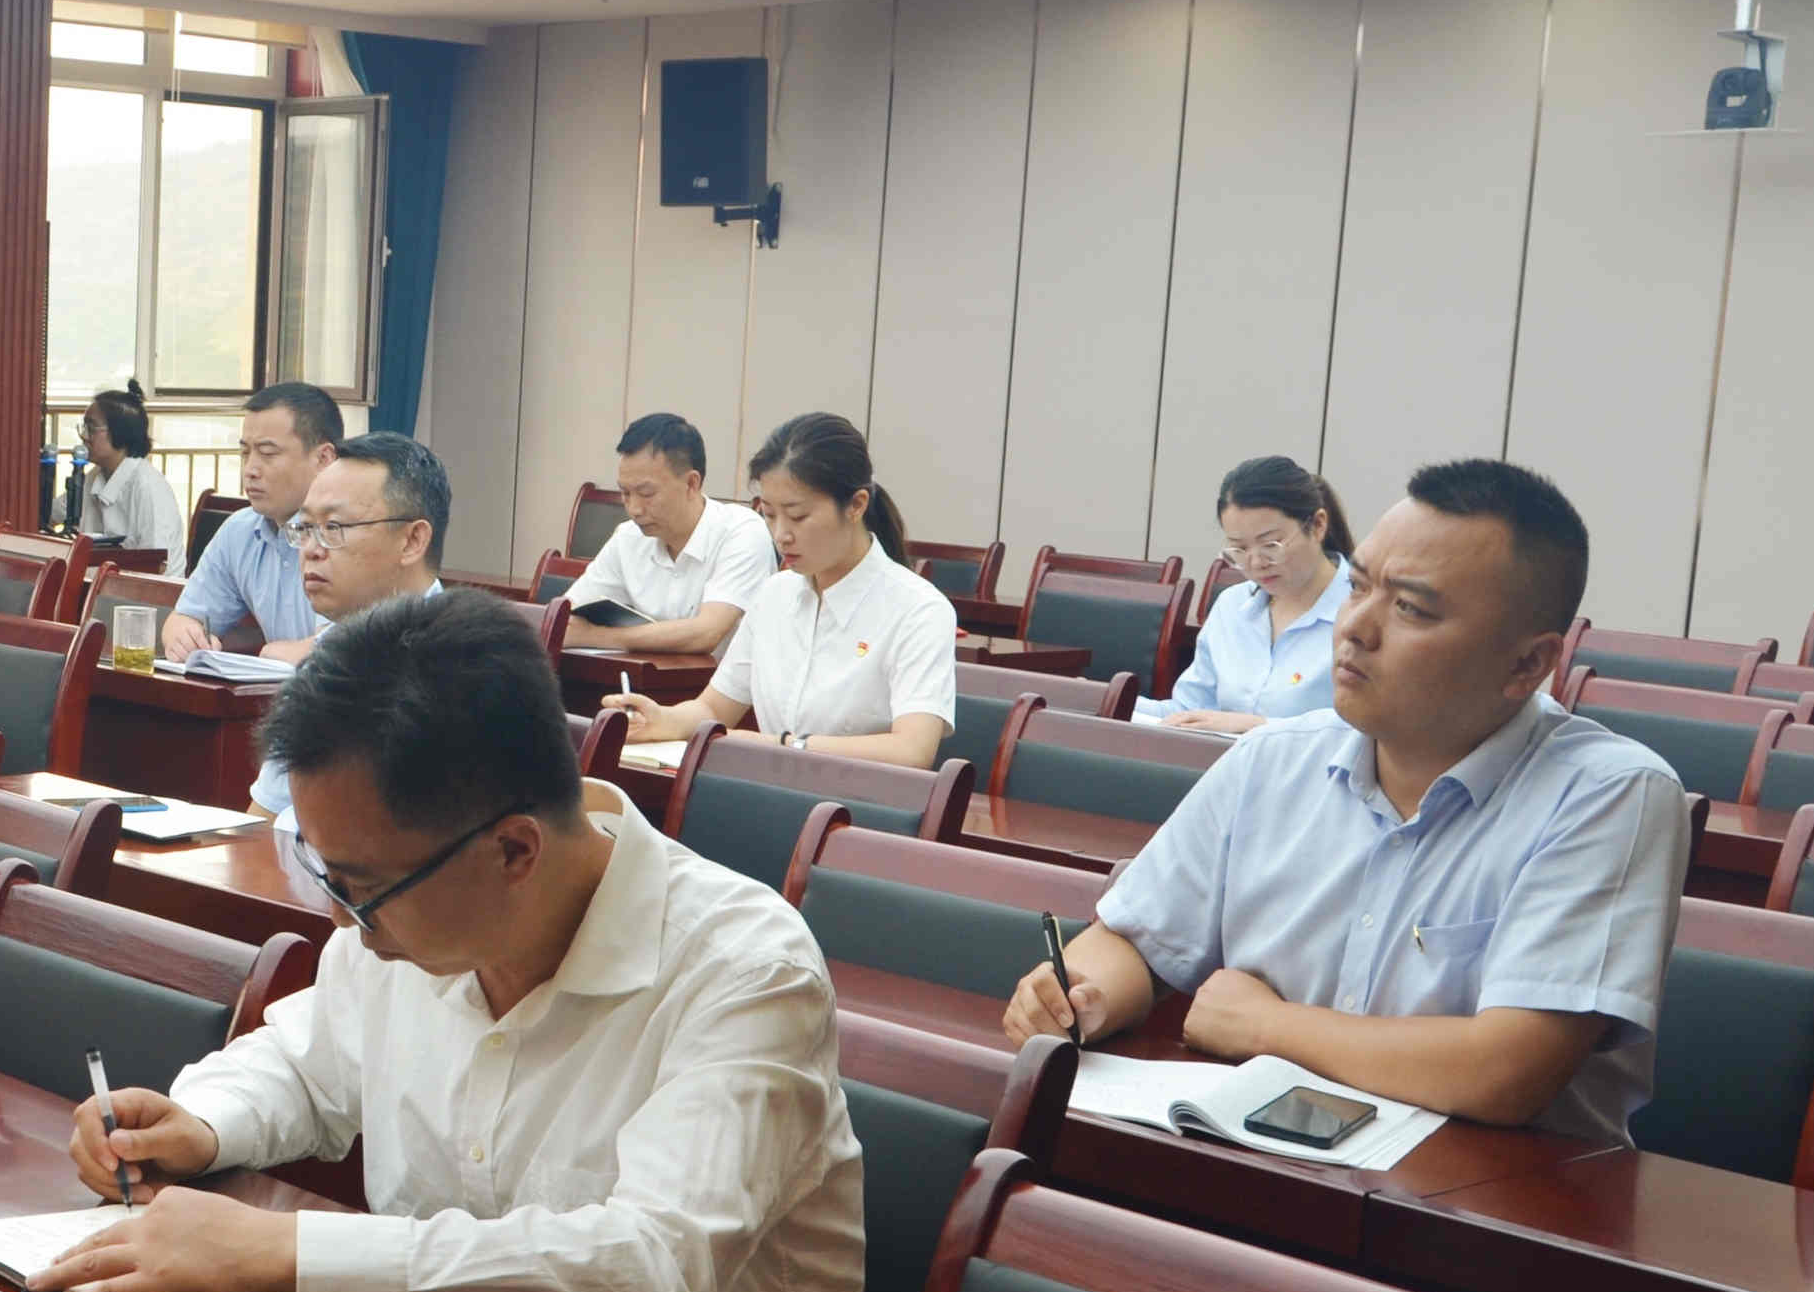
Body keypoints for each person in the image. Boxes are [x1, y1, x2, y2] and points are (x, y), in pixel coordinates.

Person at [36, 591, 866, 1292]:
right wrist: (202, 1124)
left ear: (514, 851)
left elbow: (653, 1266)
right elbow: (306, 1064)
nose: (344, 918)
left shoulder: (745, 970)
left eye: (362, 888)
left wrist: (288, 1252)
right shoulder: (409, 911)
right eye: (327, 875)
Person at [1005, 459, 1690, 1145]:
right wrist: (1080, 996)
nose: (1354, 627)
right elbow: (1136, 939)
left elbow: (1507, 1070)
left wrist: (1268, 1027)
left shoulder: (1608, 795)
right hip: (1254, 1160)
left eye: (1410, 608)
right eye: (1358, 586)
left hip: (1492, 1190)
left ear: (1527, 664)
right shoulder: (1273, 759)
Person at [604, 412, 954, 769]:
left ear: (856, 505)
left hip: (859, 799)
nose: (781, 535)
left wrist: (783, 745)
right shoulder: (774, 594)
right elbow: (713, 707)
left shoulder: (919, 609)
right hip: (770, 789)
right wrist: (661, 720)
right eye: (769, 515)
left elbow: (912, 751)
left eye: (797, 516)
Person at [254, 432, 449, 822]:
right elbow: (264, 818)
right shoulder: (326, 655)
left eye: (334, 527)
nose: (311, 550)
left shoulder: (461, 668)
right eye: (305, 528)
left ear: (412, 540)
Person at [1144, 456, 1357, 732]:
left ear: (1317, 525)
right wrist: (1105, 698)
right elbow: (1187, 710)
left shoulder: (1364, 613)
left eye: (1271, 544)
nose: (1256, 563)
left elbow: (1377, 729)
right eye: (1240, 549)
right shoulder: (1232, 605)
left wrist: (1258, 727)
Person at [561, 411, 774, 659]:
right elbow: (566, 617)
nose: (634, 509)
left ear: (692, 484)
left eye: (647, 494)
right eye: (625, 493)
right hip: (641, 679)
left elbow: (706, 633)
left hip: (716, 683)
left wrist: (595, 636)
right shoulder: (628, 537)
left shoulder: (742, 531)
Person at [160, 380, 341, 665]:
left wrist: (281, 653)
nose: (250, 469)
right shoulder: (241, 531)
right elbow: (184, 618)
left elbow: (352, 646)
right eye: (245, 453)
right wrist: (186, 636)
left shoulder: (354, 532)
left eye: (267, 453)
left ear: (323, 459)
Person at [74, 380, 184, 562]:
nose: (84, 436)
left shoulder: (147, 486)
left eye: (91, 429)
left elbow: (155, 563)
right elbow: (56, 512)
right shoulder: (95, 475)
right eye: (83, 428)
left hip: (148, 579)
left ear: (120, 432)